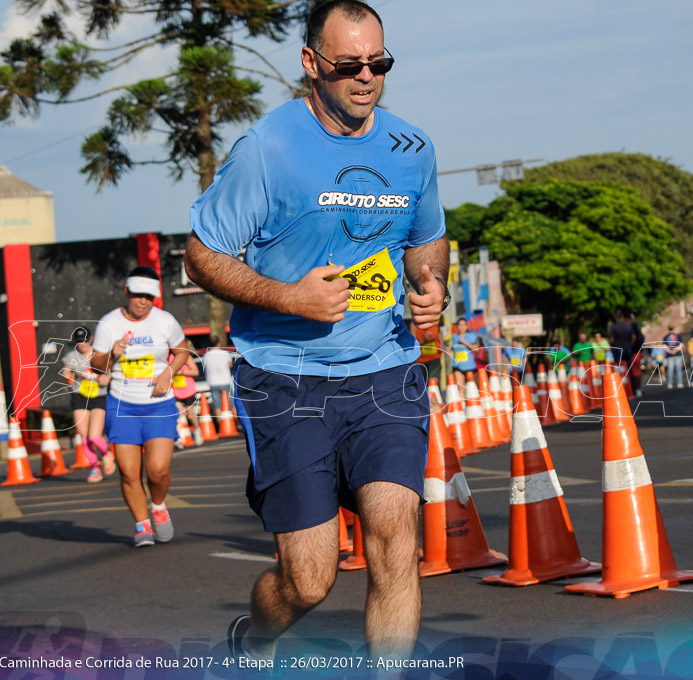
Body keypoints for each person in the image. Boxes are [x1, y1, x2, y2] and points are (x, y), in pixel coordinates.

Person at [183, 0, 448, 662]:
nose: (366, 77)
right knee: (309, 579)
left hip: (385, 371)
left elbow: (427, 242)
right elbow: (203, 255)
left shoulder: (411, 149)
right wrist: (288, 297)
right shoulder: (267, 149)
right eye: (350, 64)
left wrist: (430, 285)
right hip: (285, 378)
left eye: (378, 63)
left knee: (396, 539)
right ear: (312, 64)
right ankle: (255, 639)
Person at [90, 266, 191, 547]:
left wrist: (168, 373)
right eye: (137, 295)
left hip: (159, 405)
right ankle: (141, 525)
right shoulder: (109, 323)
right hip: (122, 405)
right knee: (128, 471)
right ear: (126, 291)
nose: (143, 301)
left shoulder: (165, 321)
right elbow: (96, 364)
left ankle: (158, 506)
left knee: (157, 470)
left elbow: (182, 351)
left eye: (149, 296)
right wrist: (112, 354)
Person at [61, 327, 114, 483]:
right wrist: (67, 376)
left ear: (90, 339)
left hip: (98, 396)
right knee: (85, 439)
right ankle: (95, 469)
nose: (82, 344)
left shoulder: (100, 354)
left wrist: (107, 378)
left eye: (84, 340)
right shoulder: (71, 356)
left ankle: (105, 454)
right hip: (79, 396)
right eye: (78, 341)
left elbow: (110, 371)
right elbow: (67, 373)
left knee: (94, 437)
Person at [172, 339, 203, 446]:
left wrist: (181, 372)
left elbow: (196, 371)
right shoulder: (168, 358)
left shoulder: (186, 357)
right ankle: (180, 438)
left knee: (190, 415)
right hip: (175, 390)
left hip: (188, 389)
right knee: (178, 414)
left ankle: (197, 431)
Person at [608, 311, 641, 395]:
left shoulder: (614, 327)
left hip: (619, 350)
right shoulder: (627, 325)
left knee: (619, 370)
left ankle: (623, 390)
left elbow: (611, 340)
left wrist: (610, 343)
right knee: (630, 370)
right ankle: (633, 389)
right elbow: (633, 337)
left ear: (616, 317)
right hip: (628, 349)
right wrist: (630, 344)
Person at [203, 335, 234, 414]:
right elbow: (230, 365)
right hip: (226, 381)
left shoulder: (205, 356)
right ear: (219, 343)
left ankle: (220, 425)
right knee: (232, 405)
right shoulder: (225, 353)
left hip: (213, 383)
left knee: (217, 407)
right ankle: (237, 424)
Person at [410, 320, 443, 386]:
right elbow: (413, 344)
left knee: (433, 381)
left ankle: (435, 394)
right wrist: (424, 339)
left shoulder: (434, 320)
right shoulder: (414, 324)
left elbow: (439, 333)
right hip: (421, 360)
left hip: (435, 357)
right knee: (423, 383)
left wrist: (441, 345)